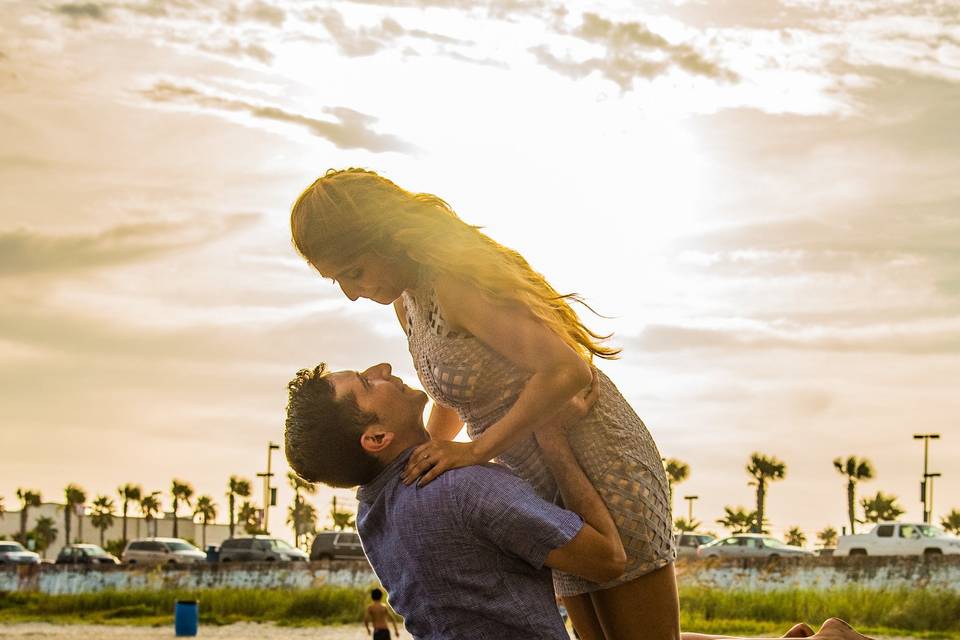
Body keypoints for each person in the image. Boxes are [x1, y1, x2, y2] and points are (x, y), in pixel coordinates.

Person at [289, 168, 676, 638]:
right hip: (540, 480)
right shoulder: (405, 301)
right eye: (339, 282)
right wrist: (421, 458)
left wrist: (473, 451)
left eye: (354, 272)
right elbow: (451, 390)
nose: (352, 292)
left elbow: (567, 370)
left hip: (597, 458)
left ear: (383, 238)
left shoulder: (453, 284)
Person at [283, 361, 870, 640]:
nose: (382, 368)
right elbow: (608, 557)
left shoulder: (373, 513)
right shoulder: (466, 488)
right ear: (376, 437)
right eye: (365, 383)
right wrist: (553, 440)